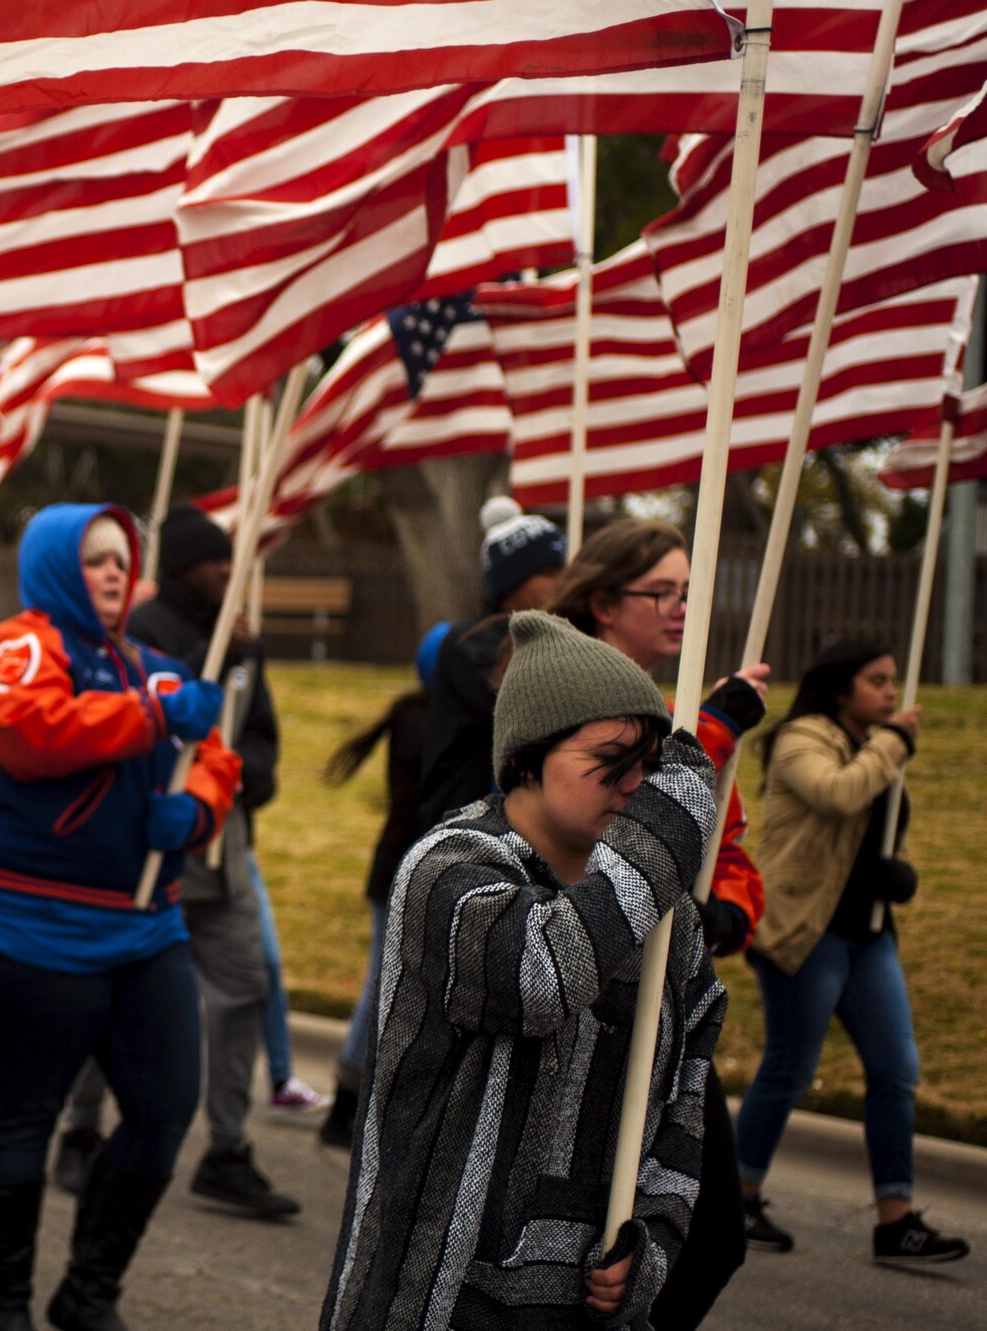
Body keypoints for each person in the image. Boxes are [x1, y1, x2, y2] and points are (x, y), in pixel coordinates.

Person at [322, 610, 723, 1331]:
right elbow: (542, 977)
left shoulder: (666, 921)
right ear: (530, 757)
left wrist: (654, 1239)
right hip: (434, 1294)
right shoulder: (449, 870)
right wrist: (666, 834)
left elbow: (685, 1092)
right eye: (611, 760)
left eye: (650, 765)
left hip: (580, 1306)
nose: (636, 786)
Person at [0, 502, 242, 1331]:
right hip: (27, 931)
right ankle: (1, 1309)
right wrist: (153, 719)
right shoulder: (18, 646)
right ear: (53, 566)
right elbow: (25, 730)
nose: (115, 573)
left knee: (162, 1114)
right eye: (95, 559)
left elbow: (213, 754)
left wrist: (196, 810)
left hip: (147, 930)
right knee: (22, 1119)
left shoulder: (152, 663)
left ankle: (89, 1294)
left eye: (124, 559)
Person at [545, 517, 766, 1331]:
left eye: (687, 591)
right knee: (589, 1247)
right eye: (660, 592)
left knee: (703, 1239)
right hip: (596, 996)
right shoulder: (565, 692)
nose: (681, 608)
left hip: (670, 1007)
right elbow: (630, 807)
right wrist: (712, 729)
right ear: (604, 602)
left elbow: (718, 834)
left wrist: (734, 905)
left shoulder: (673, 706)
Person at [738, 643, 968, 1264]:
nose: (892, 692)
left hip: (868, 935)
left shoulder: (875, 747)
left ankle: (896, 1219)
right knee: (790, 1067)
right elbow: (837, 795)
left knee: (896, 1070)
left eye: (894, 681)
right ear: (842, 688)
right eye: (878, 681)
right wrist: (893, 742)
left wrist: (901, 875)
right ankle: (739, 1194)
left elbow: (873, 830)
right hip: (806, 931)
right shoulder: (800, 740)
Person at [127, 501, 302, 1218]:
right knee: (116, 992)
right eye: (212, 560)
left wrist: (246, 776)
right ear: (177, 567)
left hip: (226, 850)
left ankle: (226, 1146)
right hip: (156, 845)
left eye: (231, 560)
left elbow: (259, 736)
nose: (226, 571)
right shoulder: (144, 635)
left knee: (245, 985)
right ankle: (80, 1128)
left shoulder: (245, 644)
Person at [315, 636, 436, 1150]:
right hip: (399, 872)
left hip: (397, 867)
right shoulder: (427, 721)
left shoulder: (414, 712)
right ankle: (345, 1104)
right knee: (380, 987)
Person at [415, 496, 566, 834]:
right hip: (462, 823)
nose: (562, 580)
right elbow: (530, 712)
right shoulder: (471, 643)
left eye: (563, 569)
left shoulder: (546, 633)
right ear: (511, 582)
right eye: (547, 571)